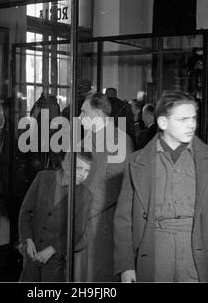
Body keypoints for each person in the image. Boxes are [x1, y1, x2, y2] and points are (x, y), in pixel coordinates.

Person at [114, 92, 208, 282]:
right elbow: (124, 220)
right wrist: (126, 265)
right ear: (163, 123)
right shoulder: (137, 162)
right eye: (183, 119)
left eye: (193, 118)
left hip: (202, 248)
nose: (191, 124)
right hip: (153, 250)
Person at [74, 92, 133, 282]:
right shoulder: (84, 141)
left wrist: (78, 212)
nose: (80, 118)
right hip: (81, 226)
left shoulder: (120, 141)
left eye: (84, 113)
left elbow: (111, 189)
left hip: (100, 228)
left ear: (98, 115)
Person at [17, 152, 94, 282]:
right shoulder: (42, 178)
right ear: (65, 164)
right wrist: (27, 240)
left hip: (54, 260)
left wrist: (52, 250)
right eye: (79, 168)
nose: (83, 174)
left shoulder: (85, 195)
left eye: (87, 170)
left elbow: (77, 232)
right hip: (31, 254)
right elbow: (25, 211)